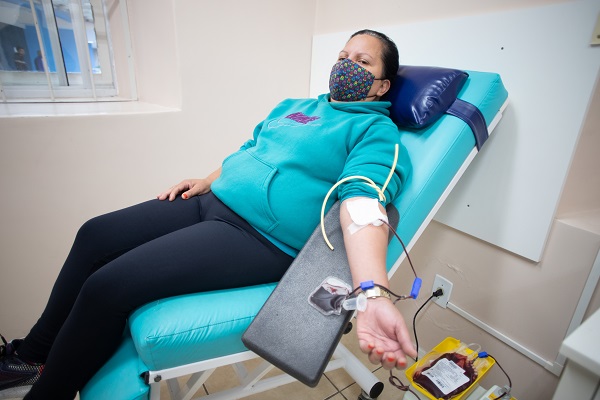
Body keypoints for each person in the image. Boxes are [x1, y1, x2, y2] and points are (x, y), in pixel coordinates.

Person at [0, 29, 417, 399]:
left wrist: (372, 293)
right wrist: (207, 179)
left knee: (106, 287)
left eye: (363, 62)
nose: (347, 66)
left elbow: (362, 201)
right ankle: (31, 357)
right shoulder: (296, 106)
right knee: (94, 234)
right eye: (343, 57)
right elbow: (251, 150)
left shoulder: (376, 132)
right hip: (211, 201)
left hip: (258, 237)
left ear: (382, 85)